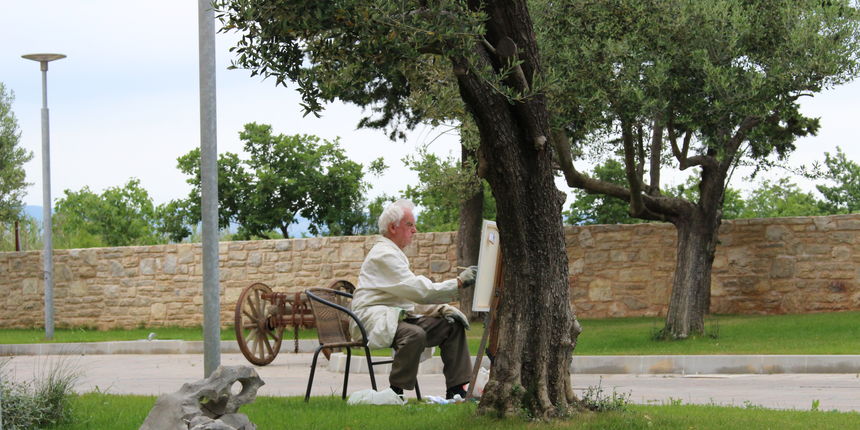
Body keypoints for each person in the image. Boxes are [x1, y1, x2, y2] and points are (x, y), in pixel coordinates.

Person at [350, 199, 478, 399]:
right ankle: (396, 392)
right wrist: (458, 283)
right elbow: (419, 290)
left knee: (451, 326)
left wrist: (441, 310)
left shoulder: (394, 253)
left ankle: (457, 390)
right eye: (410, 225)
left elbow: (409, 298)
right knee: (414, 334)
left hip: (393, 315)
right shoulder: (383, 255)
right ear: (393, 227)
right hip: (371, 318)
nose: (415, 230)